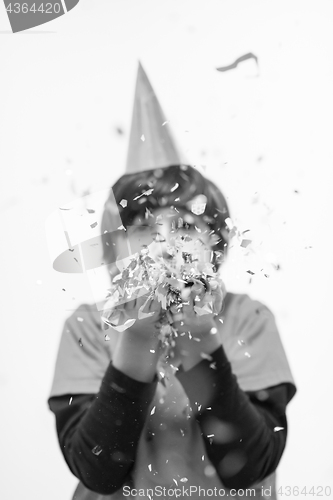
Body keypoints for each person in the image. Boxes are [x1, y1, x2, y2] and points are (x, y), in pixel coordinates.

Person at [48, 65, 296, 500]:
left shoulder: (248, 319)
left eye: (184, 226)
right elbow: (97, 472)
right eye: (143, 227)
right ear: (114, 252)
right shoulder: (88, 327)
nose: (163, 242)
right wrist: (138, 337)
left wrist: (199, 340)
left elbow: (250, 466)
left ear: (215, 246)